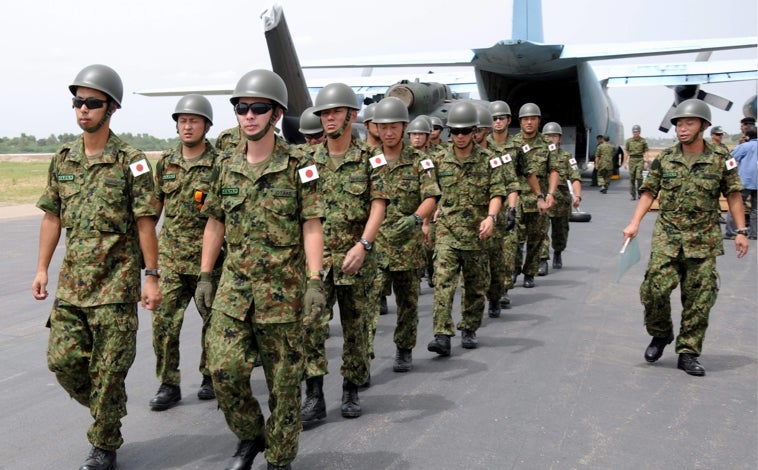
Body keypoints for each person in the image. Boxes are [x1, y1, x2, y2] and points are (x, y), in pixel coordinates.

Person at [32, 64, 162, 470]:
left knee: (109, 373)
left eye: (92, 103)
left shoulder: (132, 160)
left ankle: (104, 443)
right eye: (78, 102)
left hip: (115, 287)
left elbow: (146, 222)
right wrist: (42, 269)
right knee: (62, 361)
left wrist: (151, 276)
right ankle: (109, 408)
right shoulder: (64, 157)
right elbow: (52, 216)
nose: (83, 109)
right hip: (72, 286)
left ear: (112, 108)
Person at [195, 69, 325, 470]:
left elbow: (312, 223)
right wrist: (204, 275)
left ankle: (279, 459)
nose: (248, 115)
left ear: (276, 114)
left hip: (283, 294)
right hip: (235, 290)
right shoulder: (226, 166)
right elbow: (215, 222)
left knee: (285, 389)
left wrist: (315, 280)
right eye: (240, 108)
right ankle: (251, 435)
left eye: (258, 108)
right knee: (223, 371)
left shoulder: (300, 164)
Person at [622, 99, 749, 377]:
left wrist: (740, 231)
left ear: (703, 125)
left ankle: (688, 352)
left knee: (699, 300)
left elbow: (734, 194)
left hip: (703, 242)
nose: (682, 128)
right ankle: (661, 334)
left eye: (689, 123)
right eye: (678, 123)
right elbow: (648, 192)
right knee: (653, 291)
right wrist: (634, 223)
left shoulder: (720, 159)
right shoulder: (665, 158)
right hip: (667, 239)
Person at [299, 82, 387, 424]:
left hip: (356, 259)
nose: (329, 118)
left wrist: (364, 245)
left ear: (351, 115)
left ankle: (350, 389)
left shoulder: (370, 158)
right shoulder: (307, 160)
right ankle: (315, 395)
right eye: (324, 113)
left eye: (336, 111)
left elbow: (378, 204)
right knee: (311, 326)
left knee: (357, 328)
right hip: (318, 263)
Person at [148, 94, 220, 411]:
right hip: (172, 261)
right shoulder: (166, 162)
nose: (187, 126)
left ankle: (210, 376)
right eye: (182, 120)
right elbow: (153, 210)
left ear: (206, 124)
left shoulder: (221, 164)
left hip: (211, 261)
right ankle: (168, 383)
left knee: (214, 323)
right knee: (164, 325)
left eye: (193, 120)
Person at [426, 100, 506, 356]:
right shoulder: (438, 159)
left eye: (465, 131)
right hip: (447, 232)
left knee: (474, 286)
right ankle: (442, 334)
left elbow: (497, 192)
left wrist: (491, 217)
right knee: (443, 284)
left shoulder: (489, 160)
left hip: (477, 234)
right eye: (455, 131)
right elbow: (430, 194)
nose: (460, 136)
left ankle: (469, 327)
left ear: (475, 131)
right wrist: (427, 221)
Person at [369, 97, 440, 372]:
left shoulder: (420, 161)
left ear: (403, 127)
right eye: (383, 126)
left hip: (407, 244)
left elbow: (431, 195)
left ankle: (404, 348)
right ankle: (363, 353)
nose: (388, 132)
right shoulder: (368, 160)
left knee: (408, 302)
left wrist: (416, 219)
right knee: (367, 305)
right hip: (374, 246)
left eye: (394, 126)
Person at [509, 103, 560, 288]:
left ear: (539, 121)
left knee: (537, 238)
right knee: (514, 238)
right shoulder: (513, 143)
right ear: (520, 122)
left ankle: (529, 272)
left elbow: (554, 170)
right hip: (518, 198)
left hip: (539, 200)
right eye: (525, 119)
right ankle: (514, 269)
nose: (529, 122)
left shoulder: (548, 145)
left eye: (532, 119)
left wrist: (551, 194)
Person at [539, 122, 582, 270]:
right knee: (540, 231)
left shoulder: (566, 157)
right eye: (548, 136)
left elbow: (575, 177)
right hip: (542, 200)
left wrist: (577, 195)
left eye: (554, 136)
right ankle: (542, 260)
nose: (551, 139)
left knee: (560, 232)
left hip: (561, 201)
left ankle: (558, 252)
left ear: (560, 138)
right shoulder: (537, 156)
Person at [724, 125, 757, 239]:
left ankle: (731, 232)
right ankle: (754, 233)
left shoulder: (744, 146)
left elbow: (730, 160)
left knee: (736, 205)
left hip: (745, 181)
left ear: (747, 136)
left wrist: (730, 172)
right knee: (755, 209)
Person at [623, 124, 649, 200]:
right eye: (634, 132)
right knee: (632, 178)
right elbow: (627, 152)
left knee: (639, 177)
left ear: (639, 132)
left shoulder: (643, 141)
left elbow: (646, 151)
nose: (635, 133)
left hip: (640, 159)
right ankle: (632, 194)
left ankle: (640, 192)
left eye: (637, 132)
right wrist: (625, 162)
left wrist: (646, 161)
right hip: (632, 160)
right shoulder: (629, 141)